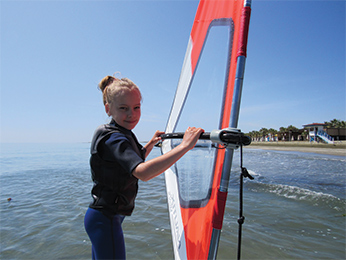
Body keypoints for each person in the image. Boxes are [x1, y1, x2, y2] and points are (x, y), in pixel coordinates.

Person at [84, 75, 204, 260]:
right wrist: (184, 146)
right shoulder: (113, 138)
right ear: (108, 109)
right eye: (123, 108)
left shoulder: (118, 133)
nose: (131, 114)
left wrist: (150, 144)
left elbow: (130, 161)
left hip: (103, 217)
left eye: (136, 107)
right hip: (105, 219)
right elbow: (143, 172)